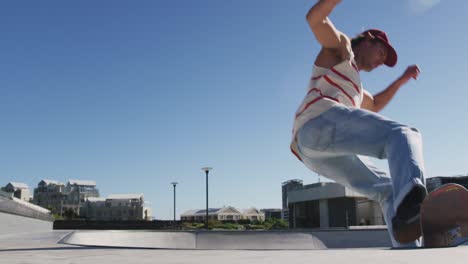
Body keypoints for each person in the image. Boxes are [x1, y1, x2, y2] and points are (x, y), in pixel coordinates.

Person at [290, 0, 426, 248]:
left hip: (314, 152)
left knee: (387, 190)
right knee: (404, 134)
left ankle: (407, 244)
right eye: (381, 53)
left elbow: (374, 105)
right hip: (318, 122)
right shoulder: (341, 50)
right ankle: (415, 204)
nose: (380, 62)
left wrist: (402, 79)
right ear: (367, 39)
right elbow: (315, 19)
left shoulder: (356, 87)